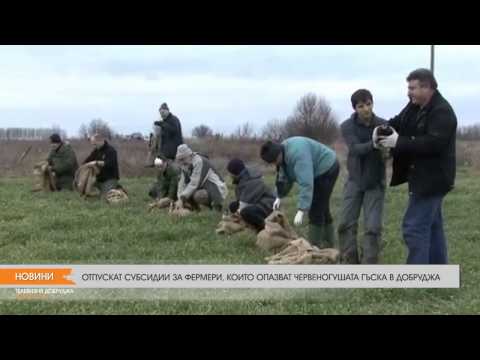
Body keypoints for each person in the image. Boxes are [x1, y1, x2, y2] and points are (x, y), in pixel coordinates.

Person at [374, 68, 457, 264]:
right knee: (433, 227)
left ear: (427, 87)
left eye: (412, 88)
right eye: (408, 87)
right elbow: (398, 122)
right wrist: (381, 129)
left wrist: (398, 142)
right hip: (420, 176)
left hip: (433, 179)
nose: (408, 92)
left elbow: (433, 144)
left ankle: (416, 279)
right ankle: (439, 274)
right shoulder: (414, 105)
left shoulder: (442, 111)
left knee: (414, 227)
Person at [260, 136, 339, 249]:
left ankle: (314, 247)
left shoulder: (298, 155)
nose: (274, 164)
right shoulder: (281, 155)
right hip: (316, 170)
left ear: (278, 155)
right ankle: (330, 243)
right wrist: (279, 196)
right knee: (323, 207)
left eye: (274, 161)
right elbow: (283, 178)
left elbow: (306, 183)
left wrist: (301, 209)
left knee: (316, 209)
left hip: (327, 167)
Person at [338, 89, 388, 264]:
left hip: (375, 181)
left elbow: (390, 150)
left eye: (368, 104)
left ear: (372, 104)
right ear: (355, 108)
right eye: (361, 106)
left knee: (373, 227)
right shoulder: (347, 126)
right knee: (345, 223)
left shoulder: (383, 125)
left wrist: (389, 149)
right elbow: (355, 149)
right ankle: (349, 262)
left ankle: (370, 266)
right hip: (355, 180)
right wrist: (373, 143)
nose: (366, 109)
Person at [226, 158, 275, 232]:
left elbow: (243, 205)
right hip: (256, 202)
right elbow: (242, 200)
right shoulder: (243, 178)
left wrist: (231, 217)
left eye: (230, 173)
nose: (230, 175)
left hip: (268, 205)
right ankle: (251, 224)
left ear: (235, 173)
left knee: (245, 212)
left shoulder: (251, 181)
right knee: (233, 206)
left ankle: (265, 227)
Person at [175, 144, 227, 212]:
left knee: (197, 195)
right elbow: (182, 183)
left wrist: (182, 199)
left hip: (217, 189)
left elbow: (194, 184)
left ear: (190, 155)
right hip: (203, 187)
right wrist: (179, 198)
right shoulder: (186, 165)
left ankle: (216, 207)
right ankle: (196, 209)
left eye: (183, 159)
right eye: (180, 160)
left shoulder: (199, 161)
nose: (182, 162)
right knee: (187, 193)